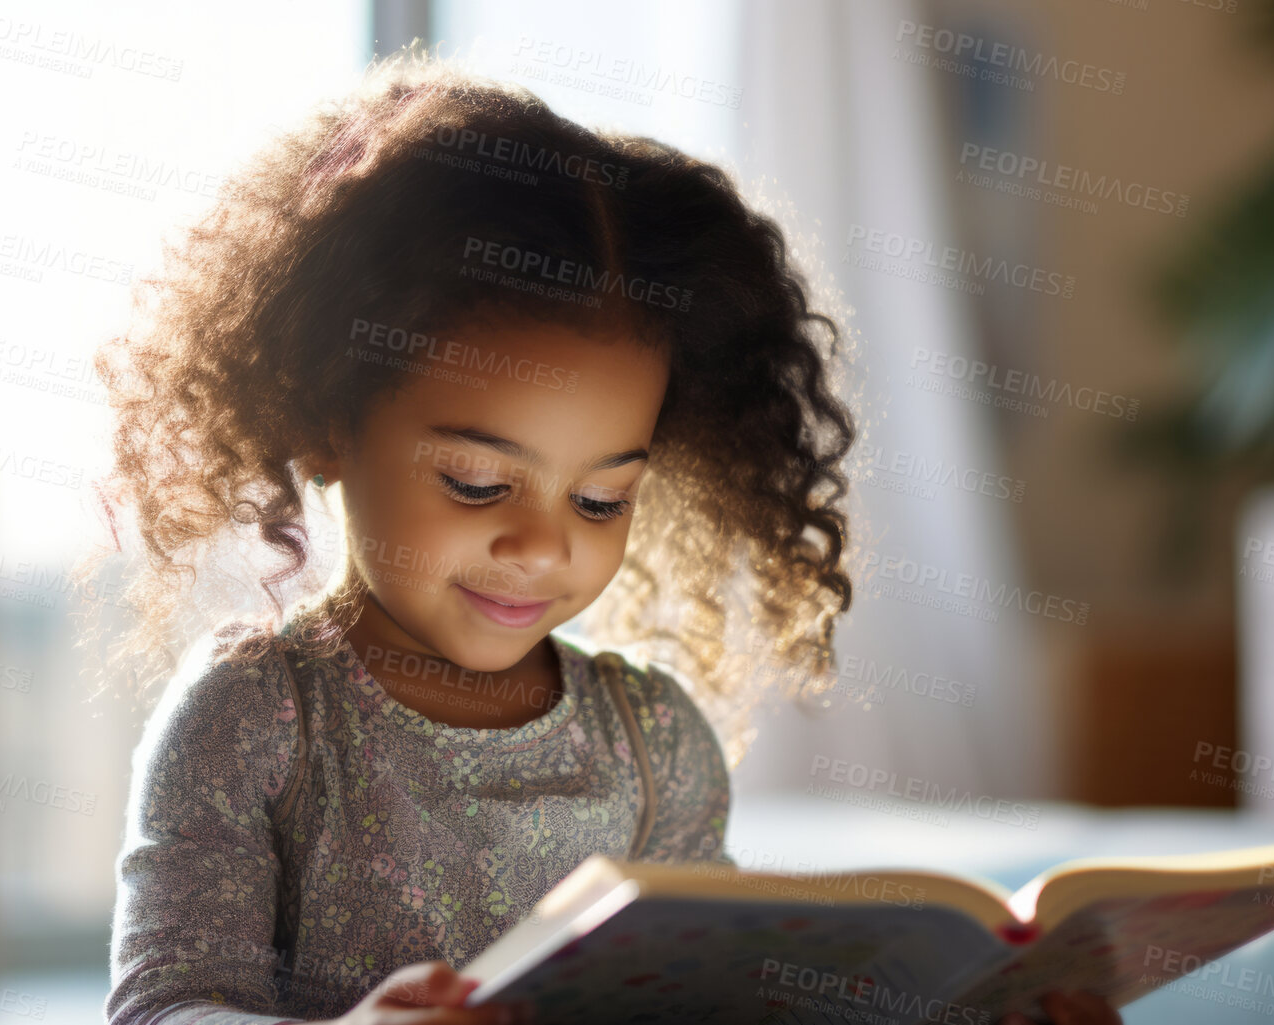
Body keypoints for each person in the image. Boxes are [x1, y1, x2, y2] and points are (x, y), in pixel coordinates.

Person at [95, 49, 1119, 1025]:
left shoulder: (653, 743)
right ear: (325, 420)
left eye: (600, 500)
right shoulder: (257, 716)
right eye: (478, 481)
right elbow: (160, 1002)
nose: (542, 547)